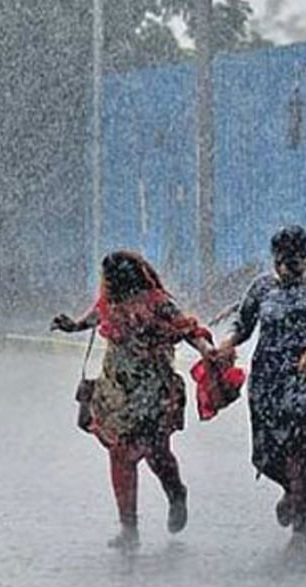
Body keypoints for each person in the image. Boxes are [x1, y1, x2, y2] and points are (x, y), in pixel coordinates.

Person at [52, 250, 217, 550]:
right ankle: (129, 528)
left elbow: (188, 329)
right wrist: (72, 325)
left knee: (156, 452)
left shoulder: (157, 302)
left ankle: (175, 492)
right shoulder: (110, 301)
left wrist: (207, 350)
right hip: (118, 392)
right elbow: (94, 316)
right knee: (120, 454)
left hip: (152, 392)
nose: (106, 285)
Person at [214, 226, 306, 540]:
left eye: (293, 262)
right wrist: (227, 343)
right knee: (267, 451)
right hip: (267, 379)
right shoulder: (262, 287)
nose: (284, 268)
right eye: (279, 261)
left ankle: (299, 510)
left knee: (297, 442)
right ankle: (291, 490)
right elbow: (244, 322)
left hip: (301, 379)